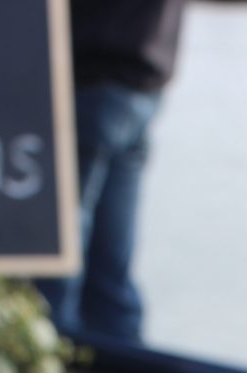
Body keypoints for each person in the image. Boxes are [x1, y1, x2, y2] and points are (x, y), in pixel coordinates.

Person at [38, 0, 186, 344]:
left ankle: (53, 372)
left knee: (56, 261)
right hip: (142, 77)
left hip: (95, 77)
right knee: (110, 273)